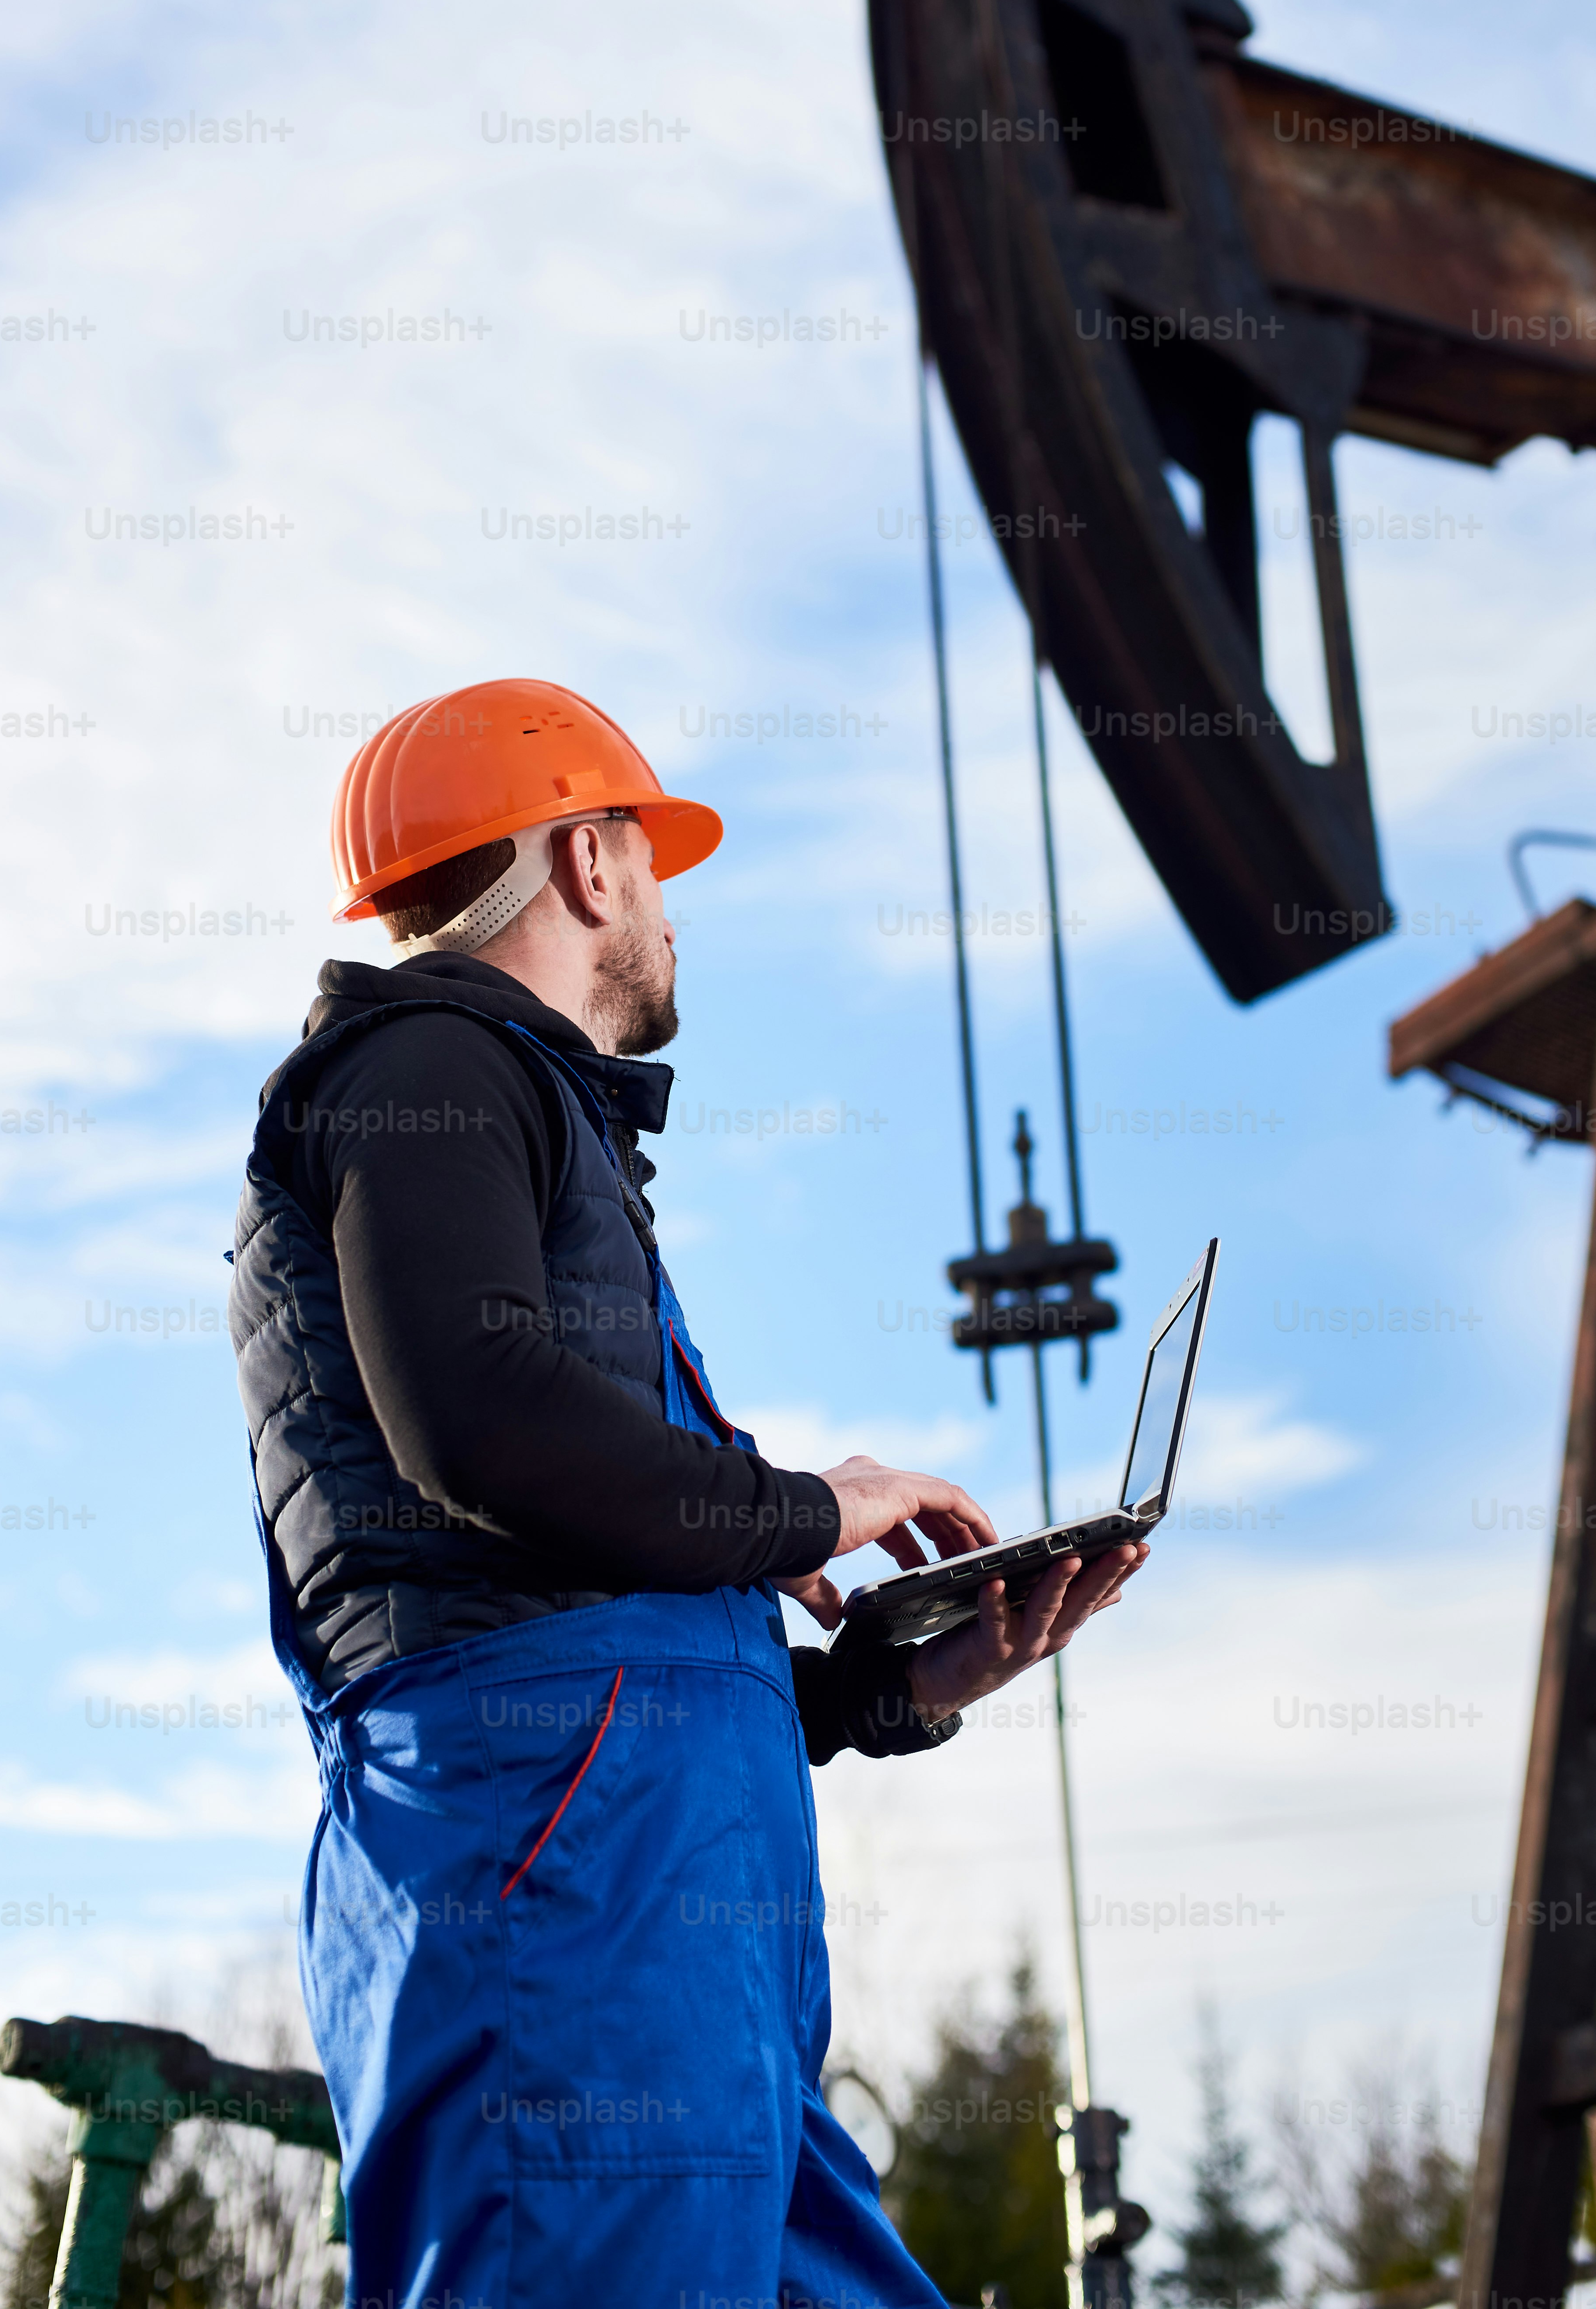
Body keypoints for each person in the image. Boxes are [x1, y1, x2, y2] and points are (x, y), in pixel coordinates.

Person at [228, 677, 1146, 2309]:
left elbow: (579, 1615)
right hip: (561, 1903)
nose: (666, 910)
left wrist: (871, 1691)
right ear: (584, 861)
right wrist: (814, 1504)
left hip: (677, 1940)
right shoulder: (425, 1066)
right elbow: (484, 1431)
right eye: (653, 864)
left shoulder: (512, 1113)